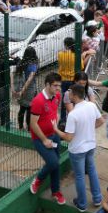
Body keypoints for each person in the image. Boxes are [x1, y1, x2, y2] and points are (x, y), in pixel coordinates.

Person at [59, 84, 105, 211]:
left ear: (74, 95)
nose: (68, 94)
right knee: (92, 171)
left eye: (70, 92)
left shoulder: (73, 115)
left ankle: (82, 203)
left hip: (77, 150)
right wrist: (89, 129)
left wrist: (55, 130)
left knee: (79, 176)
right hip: (90, 146)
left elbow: (68, 137)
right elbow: (101, 121)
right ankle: (97, 198)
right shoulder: (91, 105)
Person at [28, 73, 66, 205]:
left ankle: (55, 191)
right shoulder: (38, 101)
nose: (58, 88)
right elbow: (33, 124)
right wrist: (44, 140)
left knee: (56, 164)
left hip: (54, 135)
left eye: (59, 86)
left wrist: (56, 123)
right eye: (55, 86)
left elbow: (56, 112)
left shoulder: (57, 96)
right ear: (47, 85)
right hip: (40, 138)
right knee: (53, 163)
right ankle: (38, 180)